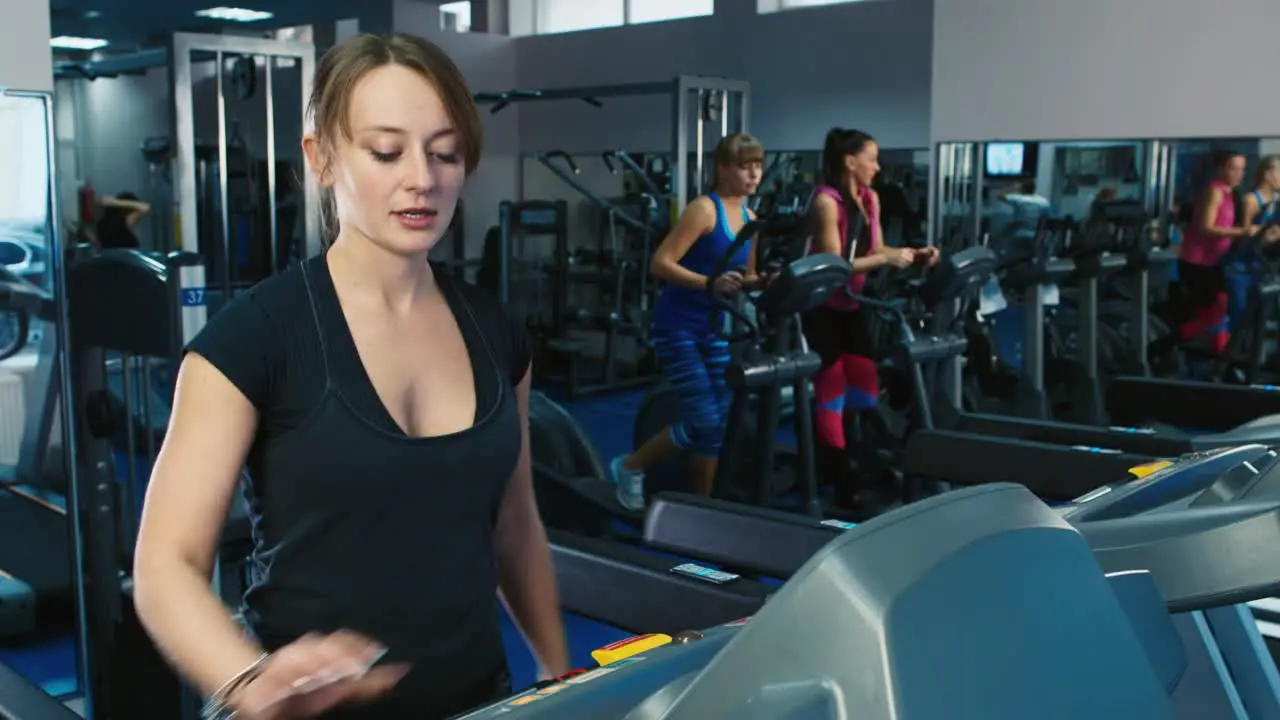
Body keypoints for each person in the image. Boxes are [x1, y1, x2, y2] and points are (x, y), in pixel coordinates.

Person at [131, 34, 568, 720]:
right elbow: (165, 567)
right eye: (387, 152)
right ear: (323, 158)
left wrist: (557, 670)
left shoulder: (496, 331)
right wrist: (248, 681)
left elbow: (513, 522)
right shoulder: (253, 338)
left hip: (478, 701)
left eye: (445, 152)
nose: (422, 177)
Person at [610, 133, 766, 510]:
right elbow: (661, 263)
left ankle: (703, 507)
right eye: (746, 166)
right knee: (704, 420)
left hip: (713, 329)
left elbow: (746, 276)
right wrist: (709, 284)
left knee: (718, 424)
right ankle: (630, 467)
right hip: (677, 326)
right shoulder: (704, 210)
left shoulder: (750, 218)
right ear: (723, 168)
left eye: (758, 166)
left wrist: (765, 281)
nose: (754, 174)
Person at [803, 128, 937, 509]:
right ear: (850, 161)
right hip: (819, 307)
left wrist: (911, 253)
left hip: (851, 304)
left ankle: (847, 456)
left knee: (863, 390)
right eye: (872, 159)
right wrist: (884, 259)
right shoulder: (826, 202)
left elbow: (876, 249)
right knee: (831, 394)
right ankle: (842, 478)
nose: (877, 167)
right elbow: (833, 264)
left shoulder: (870, 198)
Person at [1167, 149, 1256, 355]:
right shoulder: (1214, 191)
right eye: (1233, 168)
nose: (1239, 174)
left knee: (1218, 313)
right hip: (1196, 262)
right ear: (1220, 168)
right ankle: (1158, 346)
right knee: (1215, 314)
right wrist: (1242, 231)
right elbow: (1206, 227)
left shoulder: (1231, 193)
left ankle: (1219, 357)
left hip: (1214, 262)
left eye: (1242, 169)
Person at [1224, 155, 1280, 333]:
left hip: (1264, 268)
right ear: (1268, 174)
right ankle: (1234, 358)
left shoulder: (1277, 202)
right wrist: (1263, 234)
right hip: (1242, 268)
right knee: (1240, 320)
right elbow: (1245, 235)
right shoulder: (1251, 200)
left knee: (1261, 320)